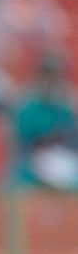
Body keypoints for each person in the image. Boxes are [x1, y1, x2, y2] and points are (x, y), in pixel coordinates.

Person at [9, 54, 78, 192]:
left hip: (62, 159)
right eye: (47, 75)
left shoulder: (65, 107)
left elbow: (72, 141)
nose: (51, 81)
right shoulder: (28, 107)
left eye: (54, 76)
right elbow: (22, 143)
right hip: (33, 159)